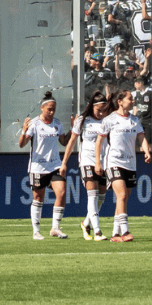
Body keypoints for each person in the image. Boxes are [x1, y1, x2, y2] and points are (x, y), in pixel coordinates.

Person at [95, 90, 152, 242]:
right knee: (121, 195)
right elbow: (99, 142)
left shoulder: (134, 120)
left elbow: (141, 137)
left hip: (130, 164)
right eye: (130, 99)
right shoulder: (109, 119)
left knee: (123, 199)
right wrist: (97, 162)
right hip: (114, 162)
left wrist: (146, 151)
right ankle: (125, 231)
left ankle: (115, 234)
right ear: (120, 101)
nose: (132, 101)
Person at [19, 92, 71, 240]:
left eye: (54, 109)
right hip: (38, 167)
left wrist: (73, 130)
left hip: (54, 165)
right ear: (42, 108)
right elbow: (22, 144)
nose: (52, 112)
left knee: (61, 193)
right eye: (49, 109)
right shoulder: (34, 124)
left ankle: (55, 228)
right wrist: (23, 130)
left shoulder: (57, 124)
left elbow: (63, 142)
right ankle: (36, 231)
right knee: (38, 197)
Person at [61, 92, 109, 241]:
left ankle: (86, 223)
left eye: (104, 110)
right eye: (98, 110)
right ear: (92, 107)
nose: (101, 113)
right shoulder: (83, 120)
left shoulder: (108, 121)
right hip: (87, 161)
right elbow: (72, 142)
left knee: (101, 197)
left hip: (103, 162)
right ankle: (98, 232)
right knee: (93, 195)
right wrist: (64, 162)